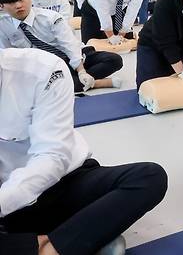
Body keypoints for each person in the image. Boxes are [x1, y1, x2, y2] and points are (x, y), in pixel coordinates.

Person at [0, 47, 167, 254]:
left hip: (65, 181)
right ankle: (71, 241)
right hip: (12, 209)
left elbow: (51, 157)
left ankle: (50, 248)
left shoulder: (42, 70)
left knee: (149, 177)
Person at [0, 0, 123, 93]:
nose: (18, 5)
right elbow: (8, 55)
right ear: (2, 6)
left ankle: (76, 79)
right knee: (50, 84)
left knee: (115, 60)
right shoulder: (3, 25)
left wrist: (81, 71)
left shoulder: (50, 17)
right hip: (46, 65)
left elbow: (69, 44)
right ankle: (96, 83)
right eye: (11, 3)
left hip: (73, 55)